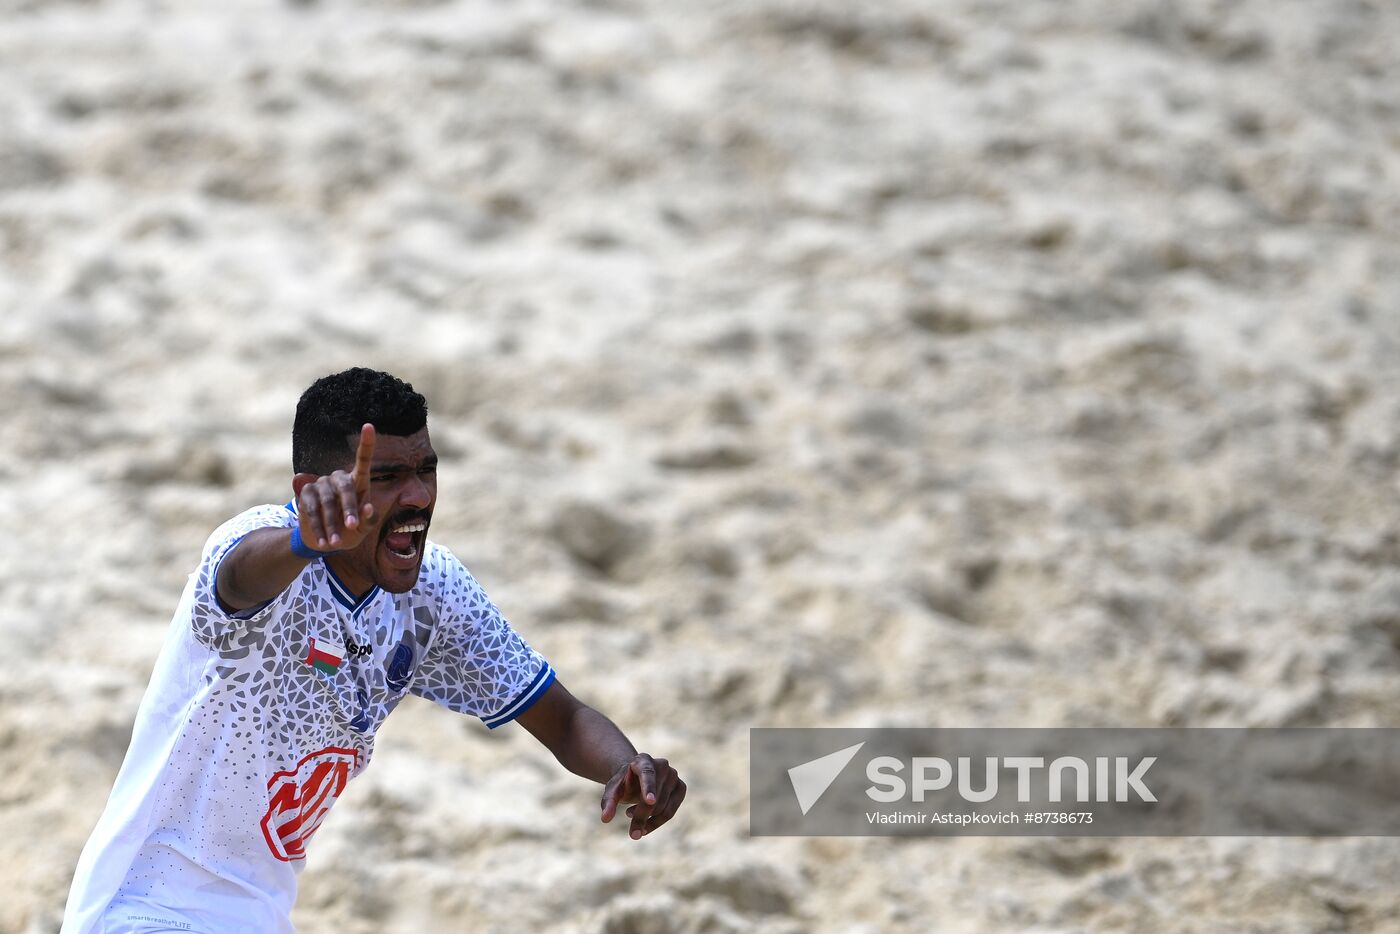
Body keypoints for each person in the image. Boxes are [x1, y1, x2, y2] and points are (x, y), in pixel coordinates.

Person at [62, 368, 685, 933]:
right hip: (142, 907)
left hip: (258, 914)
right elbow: (239, 577)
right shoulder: (259, 548)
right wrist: (306, 541)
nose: (418, 496)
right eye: (385, 478)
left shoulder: (434, 591)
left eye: (427, 469)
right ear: (312, 491)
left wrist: (627, 768)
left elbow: (565, 717)